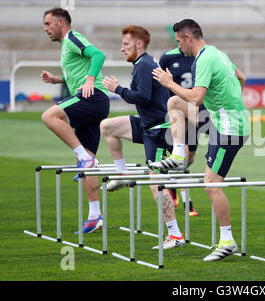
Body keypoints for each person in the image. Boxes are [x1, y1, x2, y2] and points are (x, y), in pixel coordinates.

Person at [149, 19, 250, 262]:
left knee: (211, 184)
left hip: (228, 129)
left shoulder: (204, 58)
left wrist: (169, 83)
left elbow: (195, 97)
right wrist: (229, 101)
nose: (178, 46)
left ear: (188, 37)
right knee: (174, 103)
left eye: (178, 41)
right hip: (220, 121)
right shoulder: (217, 53)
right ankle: (178, 155)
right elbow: (242, 78)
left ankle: (227, 242)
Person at [99, 25, 185, 250]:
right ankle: (122, 172)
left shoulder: (144, 65)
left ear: (139, 44)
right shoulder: (142, 64)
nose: (121, 48)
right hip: (146, 124)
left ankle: (175, 235)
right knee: (107, 127)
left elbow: (143, 97)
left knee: (155, 181)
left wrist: (117, 89)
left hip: (159, 131)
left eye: (125, 44)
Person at [41, 7, 109, 234]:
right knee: (87, 156)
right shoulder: (66, 45)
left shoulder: (72, 37)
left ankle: (85, 159)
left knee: (49, 116)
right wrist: (56, 79)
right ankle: (95, 215)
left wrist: (90, 80)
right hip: (91, 100)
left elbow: (98, 55)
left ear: (62, 22)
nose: (45, 29)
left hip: (93, 97)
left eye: (48, 24)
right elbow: (76, 73)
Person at [159, 46, 203, 217]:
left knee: (190, 157)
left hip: (194, 111)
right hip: (176, 112)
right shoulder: (168, 57)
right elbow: (160, 82)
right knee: (183, 154)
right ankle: (187, 204)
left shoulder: (200, 56)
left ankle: (173, 182)